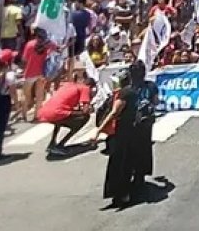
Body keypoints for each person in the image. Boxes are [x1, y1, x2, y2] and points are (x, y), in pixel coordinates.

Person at [94, 62, 154, 208]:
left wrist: (99, 130)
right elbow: (148, 106)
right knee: (133, 158)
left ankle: (121, 193)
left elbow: (114, 112)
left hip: (122, 132)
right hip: (136, 129)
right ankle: (131, 187)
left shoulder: (125, 93)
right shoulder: (142, 90)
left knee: (119, 163)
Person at [37, 66, 94, 154]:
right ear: (91, 87)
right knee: (85, 117)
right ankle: (60, 145)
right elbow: (85, 111)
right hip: (55, 112)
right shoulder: (85, 88)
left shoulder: (68, 85)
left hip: (44, 112)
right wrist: (90, 104)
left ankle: (52, 143)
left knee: (61, 118)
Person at [19, 27, 54, 122]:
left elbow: (24, 59)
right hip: (41, 73)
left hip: (30, 72)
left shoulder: (30, 45)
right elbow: (56, 49)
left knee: (26, 95)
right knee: (39, 96)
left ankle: (24, 116)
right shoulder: (48, 44)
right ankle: (36, 116)